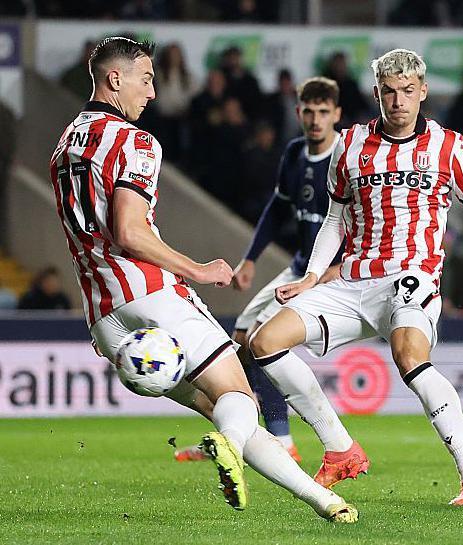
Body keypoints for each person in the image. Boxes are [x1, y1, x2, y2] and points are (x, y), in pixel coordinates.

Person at [49, 37, 357, 523]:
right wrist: (197, 269)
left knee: (222, 407)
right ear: (115, 80)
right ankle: (229, 443)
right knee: (239, 398)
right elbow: (128, 231)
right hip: (150, 294)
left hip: (104, 317)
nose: (151, 93)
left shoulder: (65, 145)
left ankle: (325, 502)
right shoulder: (135, 141)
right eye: (147, 80)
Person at [247, 48, 463, 505]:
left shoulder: (446, 146)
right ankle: (340, 448)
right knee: (263, 342)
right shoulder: (352, 144)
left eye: (407, 92)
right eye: (389, 92)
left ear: (422, 92)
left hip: (411, 275)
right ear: (377, 93)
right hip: (354, 281)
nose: (398, 101)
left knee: (408, 354)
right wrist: (312, 277)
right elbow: (335, 218)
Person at [174, 78, 355, 482]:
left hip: (333, 274)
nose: (315, 119)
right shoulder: (294, 153)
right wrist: (250, 259)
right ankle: (239, 433)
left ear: (337, 115)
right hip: (299, 267)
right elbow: (278, 209)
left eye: (323, 112)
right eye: (308, 111)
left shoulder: (348, 155)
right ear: (298, 113)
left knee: (261, 342)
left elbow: (361, 219)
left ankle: (281, 439)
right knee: (238, 342)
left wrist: (335, 270)